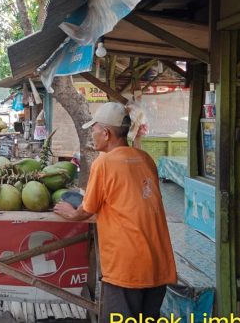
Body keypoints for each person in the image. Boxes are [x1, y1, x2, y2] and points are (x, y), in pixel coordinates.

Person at [53, 102, 176, 323]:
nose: (93, 135)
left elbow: (86, 211)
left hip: (127, 268)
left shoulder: (104, 163)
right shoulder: (146, 159)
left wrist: (70, 212)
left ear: (107, 133)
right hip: (159, 263)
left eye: (94, 130)